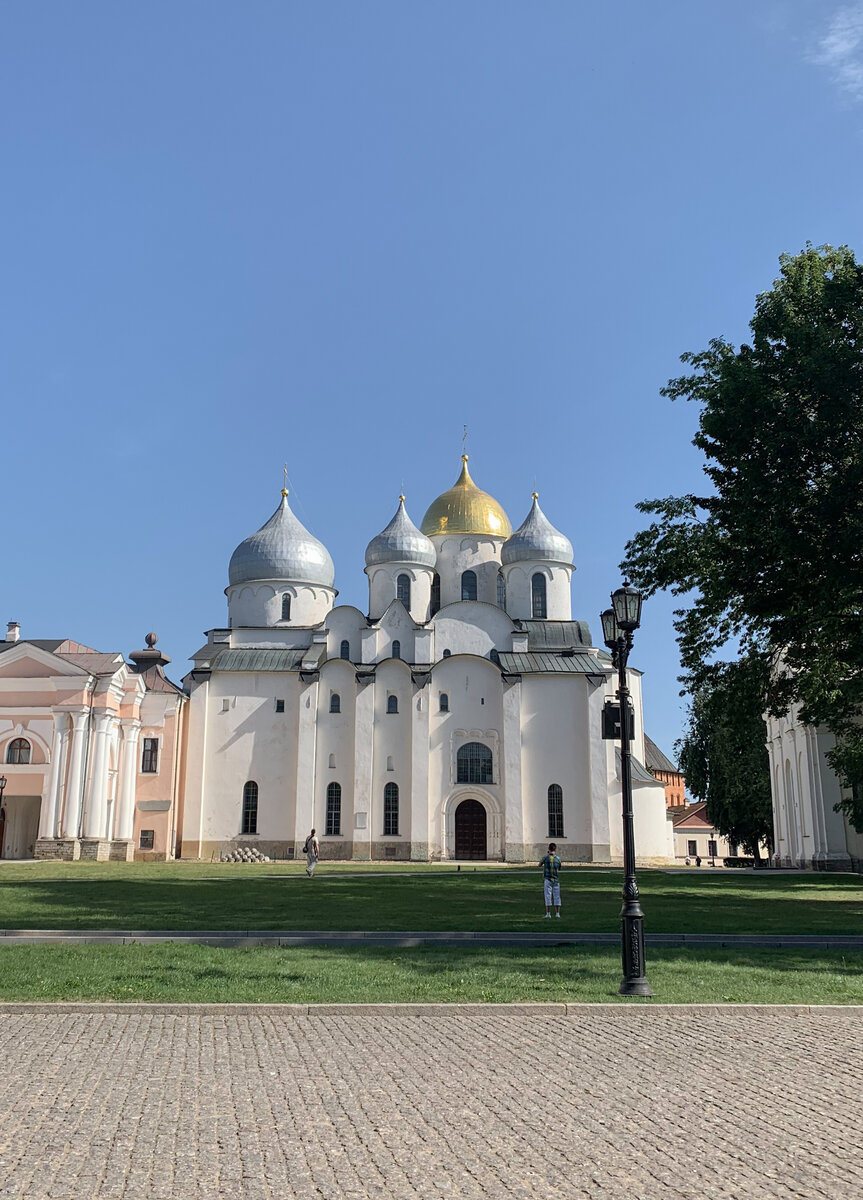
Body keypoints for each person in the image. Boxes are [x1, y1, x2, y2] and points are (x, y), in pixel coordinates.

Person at [540, 842, 562, 918]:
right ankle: (557, 913)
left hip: (548, 879)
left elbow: (539, 865)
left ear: (549, 849)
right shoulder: (558, 859)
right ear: (555, 849)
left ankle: (548, 913)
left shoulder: (545, 858)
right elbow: (559, 868)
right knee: (557, 896)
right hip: (555, 879)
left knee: (548, 896)